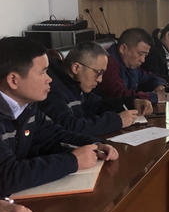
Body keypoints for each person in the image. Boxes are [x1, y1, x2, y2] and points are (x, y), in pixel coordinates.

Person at [0, 37, 118, 197]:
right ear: (13, 80)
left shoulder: (28, 107)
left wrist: (95, 145)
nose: (49, 79)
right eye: (42, 72)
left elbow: (54, 135)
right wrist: (73, 161)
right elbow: (6, 176)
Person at [39, 42, 153, 136]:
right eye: (98, 73)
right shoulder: (50, 88)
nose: (100, 80)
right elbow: (69, 127)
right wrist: (117, 121)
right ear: (76, 68)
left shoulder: (76, 83)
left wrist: (132, 102)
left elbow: (98, 105)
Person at [97, 28, 166, 104]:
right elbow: (121, 97)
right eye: (140, 54)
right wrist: (155, 96)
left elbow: (148, 78)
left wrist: (159, 85)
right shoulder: (107, 64)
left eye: (145, 55)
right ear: (123, 49)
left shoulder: (129, 62)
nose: (143, 60)